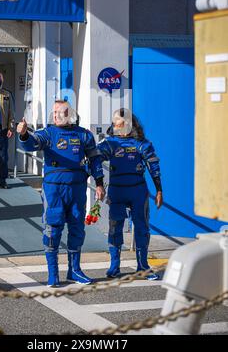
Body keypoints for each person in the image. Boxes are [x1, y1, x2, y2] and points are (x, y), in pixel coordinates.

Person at [17, 100, 105, 286]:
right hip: (54, 189)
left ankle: (74, 271)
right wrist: (24, 134)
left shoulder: (84, 135)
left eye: (60, 112)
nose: (56, 115)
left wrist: (99, 184)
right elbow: (32, 143)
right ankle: (53, 274)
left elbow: (95, 159)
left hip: (77, 188)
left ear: (70, 114)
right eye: (54, 112)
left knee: (76, 228)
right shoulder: (48, 133)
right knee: (53, 229)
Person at [97, 108, 163, 280]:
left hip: (138, 190)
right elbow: (95, 157)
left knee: (141, 228)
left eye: (117, 122)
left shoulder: (142, 143)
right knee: (115, 228)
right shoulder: (109, 143)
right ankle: (114, 266)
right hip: (117, 190)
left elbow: (153, 167)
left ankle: (143, 266)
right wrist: (98, 183)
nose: (114, 125)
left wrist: (159, 190)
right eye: (113, 122)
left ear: (127, 123)